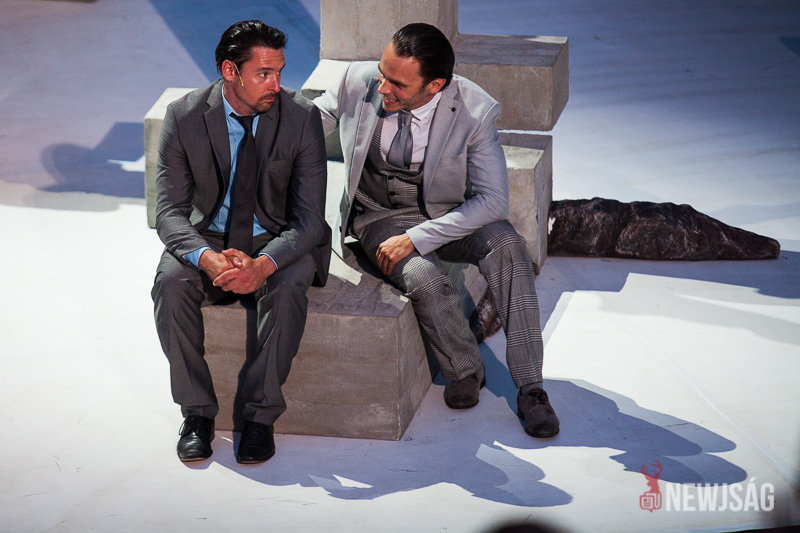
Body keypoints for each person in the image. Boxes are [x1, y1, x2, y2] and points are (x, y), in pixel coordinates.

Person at [313, 23, 559, 438]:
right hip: (380, 216)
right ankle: (465, 369)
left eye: (398, 84)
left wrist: (418, 237)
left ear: (435, 85)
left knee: (509, 248)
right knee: (423, 278)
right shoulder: (358, 80)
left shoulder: (476, 111)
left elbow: (493, 202)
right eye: (383, 73)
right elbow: (304, 124)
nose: (382, 87)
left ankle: (532, 388)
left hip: (448, 213)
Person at [152, 20, 330, 464]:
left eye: (279, 72)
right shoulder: (185, 116)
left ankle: (259, 417)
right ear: (230, 71)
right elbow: (169, 211)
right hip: (210, 235)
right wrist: (207, 258)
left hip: (277, 236)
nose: (276, 84)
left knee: (287, 287)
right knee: (170, 283)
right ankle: (197, 414)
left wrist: (263, 264)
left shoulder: (301, 117)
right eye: (263, 73)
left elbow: (309, 219)